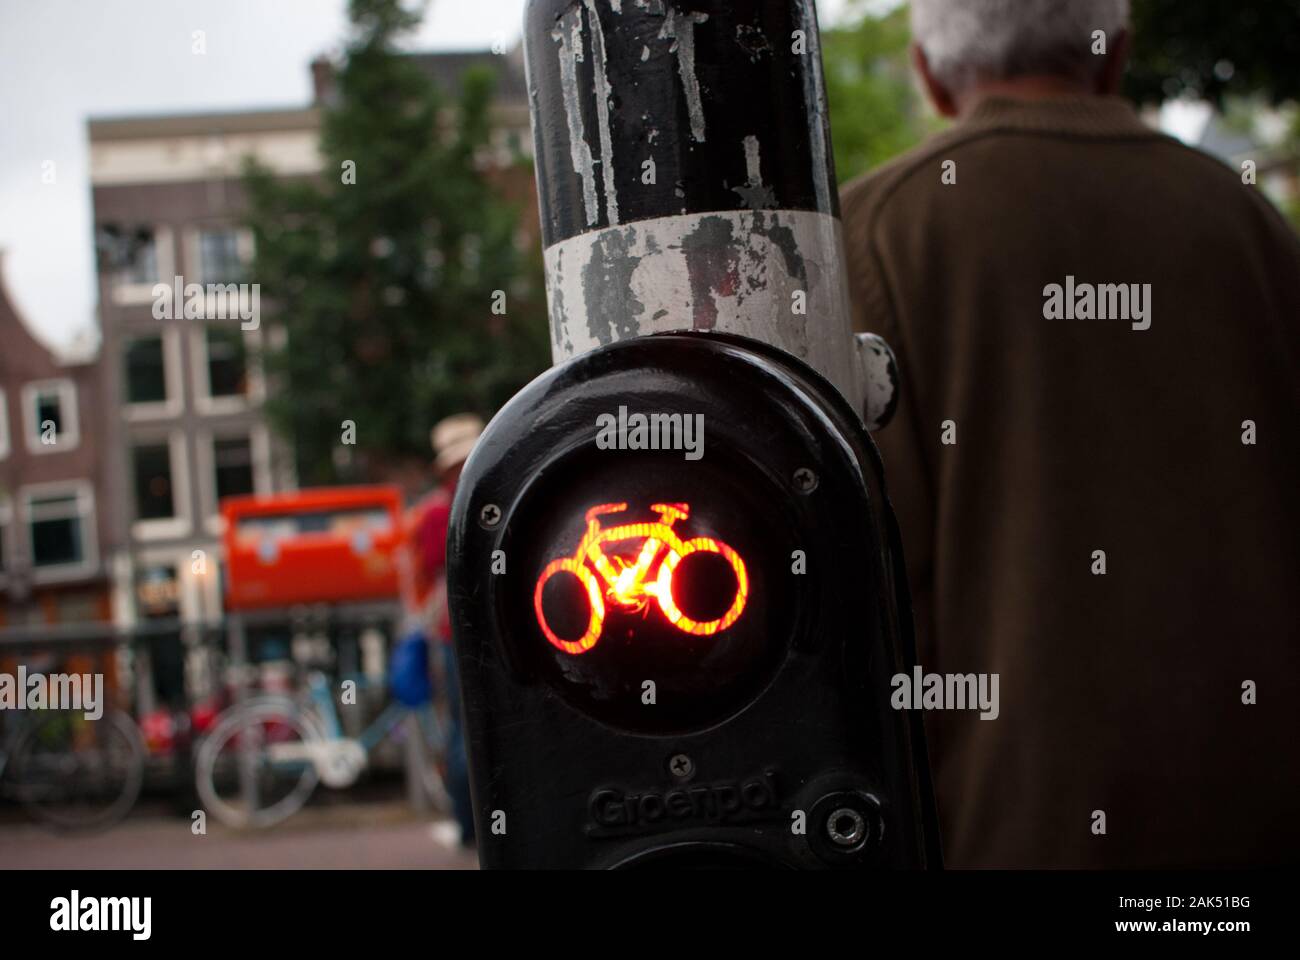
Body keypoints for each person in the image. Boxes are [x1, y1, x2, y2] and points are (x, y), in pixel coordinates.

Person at [840, 0, 1300, 867]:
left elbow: (856, 594)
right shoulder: (1249, 225)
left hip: (1011, 830)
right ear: (1116, 55)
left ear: (931, 77)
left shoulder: (874, 237)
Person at [407, 413, 484, 849]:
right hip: (483, 625)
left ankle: (467, 824)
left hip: (455, 630)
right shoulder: (491, 490)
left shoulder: (437, 510)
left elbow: (433, 565)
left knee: (460, 726)